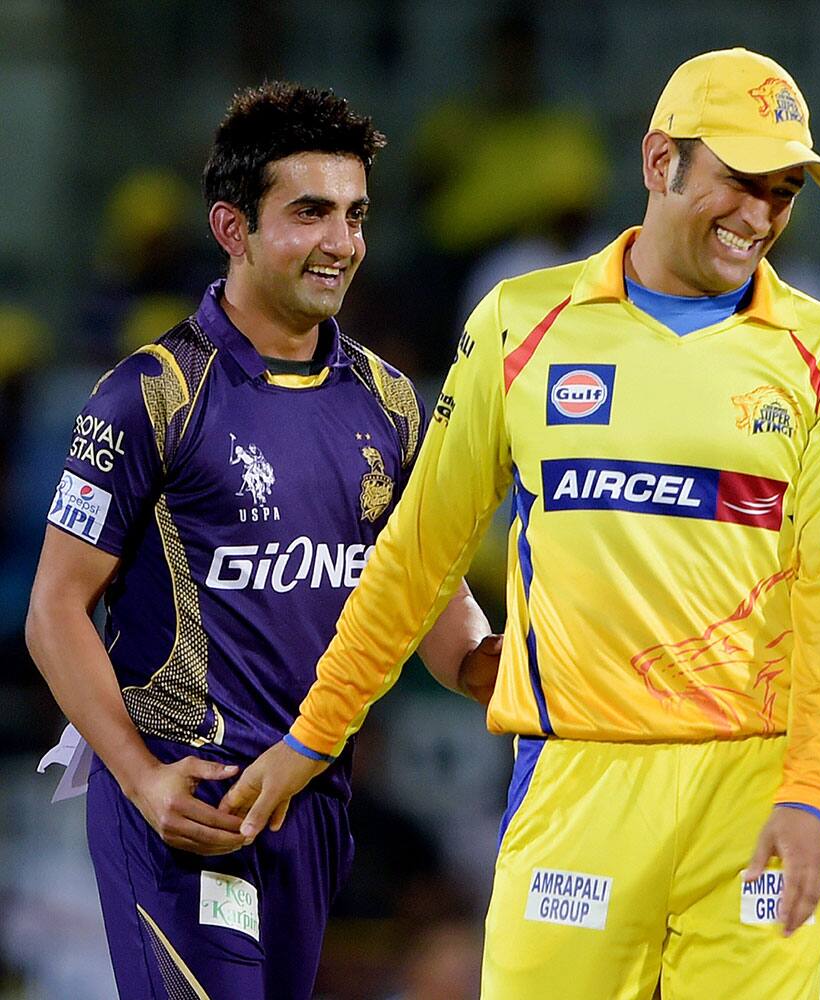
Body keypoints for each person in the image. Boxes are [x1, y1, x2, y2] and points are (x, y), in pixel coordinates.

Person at [223, 48, 820, 999]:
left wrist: (810, 795)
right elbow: (420, 550)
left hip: (755, 789)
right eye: (740, 181)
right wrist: (312, 737)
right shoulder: (520, 322)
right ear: (661, 161)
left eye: (783, 191)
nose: (759, 215)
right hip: (574, 781)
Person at [26, 83, 499, 1000]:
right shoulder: (148, 396)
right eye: (310, 212)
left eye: (356, 215)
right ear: (232, 229)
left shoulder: (394, 406)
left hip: (313, 802)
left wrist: (515, 668)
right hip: (183, 801)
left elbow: (432, 608)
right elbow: (54, 609)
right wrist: (141, 778)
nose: (341, 243)